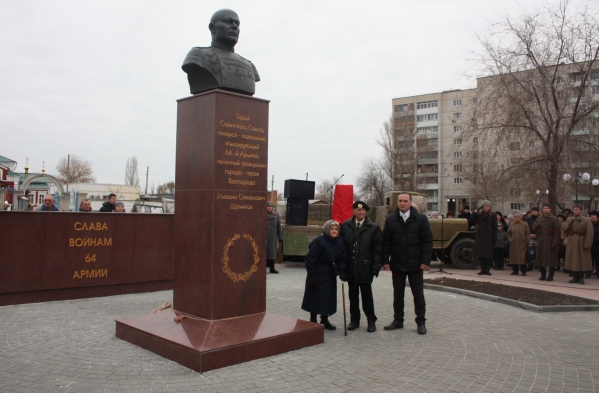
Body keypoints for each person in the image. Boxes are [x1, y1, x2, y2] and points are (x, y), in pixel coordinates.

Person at [382, 192, 433, 335]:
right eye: (400, 201)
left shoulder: (421, 219)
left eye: (405, 201)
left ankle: (421, 322)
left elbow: (427, 241)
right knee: (398, 294)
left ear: (411, 202)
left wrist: (425, 261)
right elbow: (386, 242)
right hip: (397, 263)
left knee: (418, 294)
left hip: (416, 264)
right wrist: (385, 260)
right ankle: (398, 320)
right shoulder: (391, 219)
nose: (402, 203)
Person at [182, 9, 260, 96]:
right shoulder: (198, 55)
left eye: (237, 24)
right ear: (212, 28)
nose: (234, 26)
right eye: (228, 21)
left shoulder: (250, 66)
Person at [339, 201, 383, 333]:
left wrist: (375, 267)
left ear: (366, 212)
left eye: (363, 210)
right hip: (350, 268)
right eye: (358, 210)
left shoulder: (373, 228)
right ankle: (354, 320)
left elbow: (377, 250)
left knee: (366, 296)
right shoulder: (345, 226)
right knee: (353, 295)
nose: (361, 212)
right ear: (353, 211)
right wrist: (342, 268)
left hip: (365, 268)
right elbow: (341, 248)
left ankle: (371, 320)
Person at [301, 220, 346, 330]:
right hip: (318, 273)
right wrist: (312, 276)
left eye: (336, 229)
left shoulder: (340, 241)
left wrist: (342, 270)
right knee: (315, 297)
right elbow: (310, 259)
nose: (334, 231)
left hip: (330, 274)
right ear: (327, 230)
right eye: (332, 229)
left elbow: (343, 258)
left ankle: (324, 319)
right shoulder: (319, 241)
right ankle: (313, 319)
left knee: (328, 297)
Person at [562, 204, 594, 284]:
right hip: (572, 241)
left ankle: (581, 277)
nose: (575, 211)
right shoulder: (570, 219)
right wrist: (568, 225)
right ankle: (575, 277)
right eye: (574, 209)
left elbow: (590, 233)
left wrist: (587, 244)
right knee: (573, 260)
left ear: (581, 210)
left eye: (577, 209)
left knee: (581, 259)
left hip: (581, 241)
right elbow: (564, 228)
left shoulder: (586, 220)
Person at [533, 204, 561, 281]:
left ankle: (551, 275)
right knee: (541, 256)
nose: (545, 210)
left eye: (547, 208)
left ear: (550, 209)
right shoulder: (540, 218)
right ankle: (543, 274)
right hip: (541, 239)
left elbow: (557, 231)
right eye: (544, 208)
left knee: (551, 258)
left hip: (550, 239)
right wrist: (536, 227)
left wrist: (555, 242)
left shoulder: (554, 218)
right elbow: (534, 225)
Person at [470, 201, 497, 275]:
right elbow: (472, 220)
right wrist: (474, 212)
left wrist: (495, 237)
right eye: (483, 207)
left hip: (489, 236)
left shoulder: (493, 215)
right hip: (480, 236)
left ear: (489, 207)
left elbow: (495, 227)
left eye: (486, 207)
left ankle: (487, 269)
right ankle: (482, 269)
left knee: (488, 255)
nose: (484, 208)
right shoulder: (479, 214)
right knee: (480, 254)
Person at [266, 202, 282, 274]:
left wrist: (280, 237)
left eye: (271, 206)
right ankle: (263, 268)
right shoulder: (262, 214)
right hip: (265, 237)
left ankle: (272, 268)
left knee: (272, 253)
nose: (269, 207)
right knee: (264, 253)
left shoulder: (276, 215)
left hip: (273, 237)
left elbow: (279, 227)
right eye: (268, 206)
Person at [590, 211, 599, 279]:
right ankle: (588, 273)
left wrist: (594, 240)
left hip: (597, 245)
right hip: (590, 245)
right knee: (590, 260)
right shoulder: (589, 224)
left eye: (594, 215)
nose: (592, 217)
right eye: (591, 215)